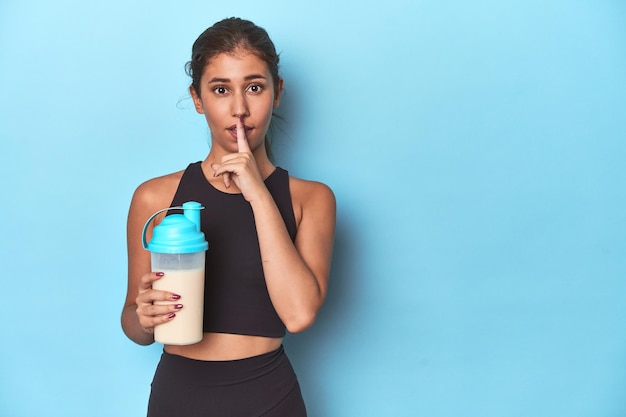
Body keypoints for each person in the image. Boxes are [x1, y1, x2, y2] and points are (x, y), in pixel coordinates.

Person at [121, 17, 336, 416]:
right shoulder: (155, 197)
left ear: (276, 93)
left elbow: (299, 313)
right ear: (198, 98)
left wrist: (257, 191)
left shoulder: (311, 199)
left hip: (269, 399)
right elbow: (133, 325)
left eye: (254, 87)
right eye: (221, 90)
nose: (239, 109)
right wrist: (145, 318)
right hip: (178, 398)